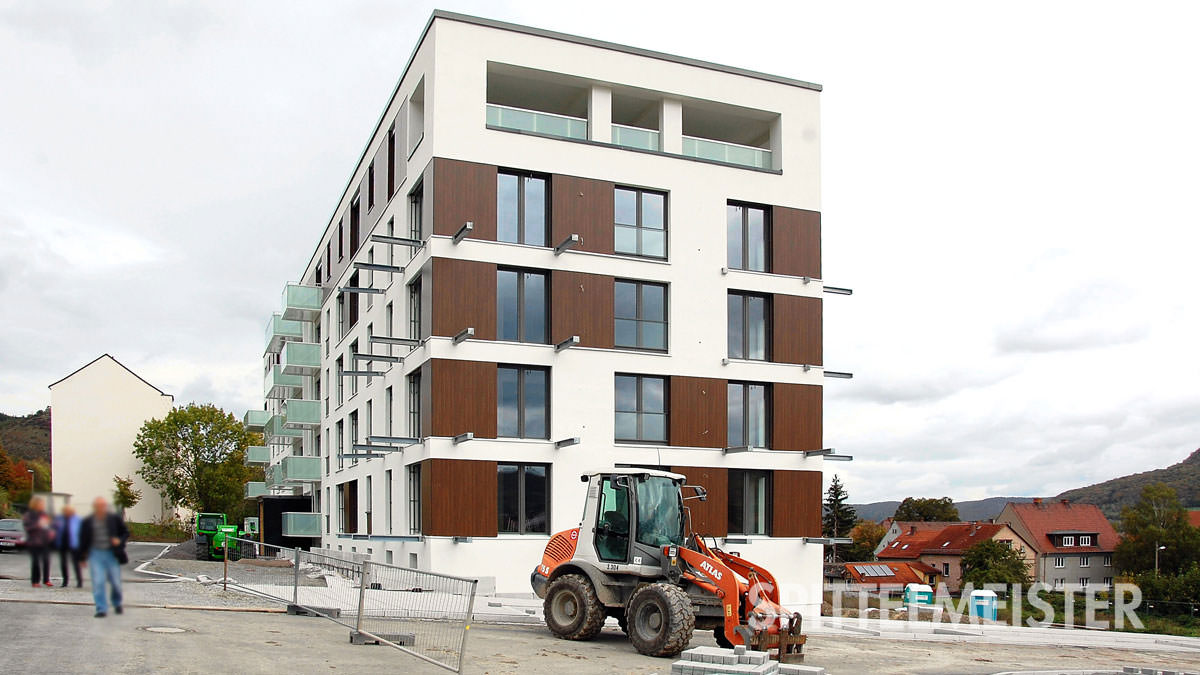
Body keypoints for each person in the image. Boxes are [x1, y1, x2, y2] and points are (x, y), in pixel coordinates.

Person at [79, 496, 129, 618]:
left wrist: (119, 540)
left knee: (115, 582)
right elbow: (83, 539)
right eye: (98, 506)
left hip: (111, 553)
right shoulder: (88, 521)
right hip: (95, 554)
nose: (101, 508)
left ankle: (117, 603)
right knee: (98, 581)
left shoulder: (113, 519)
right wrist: (81, 557)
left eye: (103, 506)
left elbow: (125, 532)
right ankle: (101, 608)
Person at [22, 496, 54, 588]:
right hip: (34, 542)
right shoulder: (29, 515)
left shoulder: (43, 514)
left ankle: (46, 579)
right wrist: (38, 525)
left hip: (45, 541)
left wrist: (51, 532)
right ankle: (35, 581)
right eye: (41, 504)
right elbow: (28, 528)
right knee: (36, 562)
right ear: (35, 504)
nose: (43, 505)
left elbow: (47, 526)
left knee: (46, 560)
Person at [54, 504, 83, 588]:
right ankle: (65, 581)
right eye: (65, 511)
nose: (67, 512)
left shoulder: (77, 519)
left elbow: (82, 532)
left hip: (74, 543)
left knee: (76, 563)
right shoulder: (59, 518)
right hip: (62, 543)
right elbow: (54, 528)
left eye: (69, 511)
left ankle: (79, 581)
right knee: (63, 563)